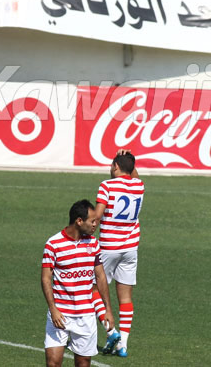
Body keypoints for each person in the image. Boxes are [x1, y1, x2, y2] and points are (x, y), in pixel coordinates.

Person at [42, 199, 115, 367]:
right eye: (92, 221)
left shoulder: (93, 244)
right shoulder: (54, 244)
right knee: (53, 363)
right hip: (60, 314)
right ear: (79, 221)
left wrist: (108, 310)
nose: (96, 224)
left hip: (85, 316)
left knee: (83, 364)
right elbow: (46, 278)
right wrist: (53, 309)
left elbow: (100, 277)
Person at [90, 151, 144, 358]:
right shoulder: (139, 186)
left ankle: (111, 332)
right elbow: (134, 174)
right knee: (126, 297)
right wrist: (129, 161)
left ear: (114, 166)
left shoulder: (107, 186)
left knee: (92, 290)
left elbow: (98, 215)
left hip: (109, 247)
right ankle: (123, 345)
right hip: (130, 248)